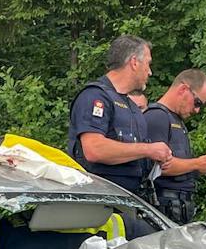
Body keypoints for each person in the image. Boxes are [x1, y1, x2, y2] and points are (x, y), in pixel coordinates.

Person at [67, 36, 172, 194]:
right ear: (134, 62)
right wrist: (148, 150)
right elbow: (94, 150)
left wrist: (155, 160)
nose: (150, 72)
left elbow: (133, 153)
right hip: (100, 200)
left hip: (130, 198)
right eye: (148, 64)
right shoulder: (95, 96)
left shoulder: (132, 107)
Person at [143, 70, 206, 224]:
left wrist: (199, 168)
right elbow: (159, 168)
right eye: (197, 102)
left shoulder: (176, 120)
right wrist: (197, 164)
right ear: (183, 89)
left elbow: (177, 165)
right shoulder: (157, 117)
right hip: (163, 207)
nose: (197, 110)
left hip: (178, 207)